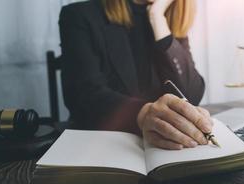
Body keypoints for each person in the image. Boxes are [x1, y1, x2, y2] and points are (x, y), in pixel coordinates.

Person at [59, 0, 213, 150]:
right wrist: (143, 114)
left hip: (167, 149)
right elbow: (83, 96)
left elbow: (190, 95)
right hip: (103, 145)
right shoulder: (79, 16)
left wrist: (157, 17)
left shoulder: (168, 17)